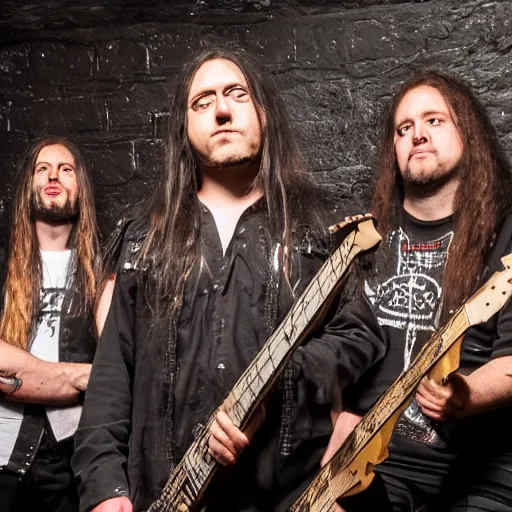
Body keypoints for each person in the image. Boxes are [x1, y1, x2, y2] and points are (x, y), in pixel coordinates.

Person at [72, 48, 389, 512]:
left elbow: (360, 335)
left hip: (284, 497)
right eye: (202, 101)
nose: (221, 110)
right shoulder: (145, 238)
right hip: (160, 498)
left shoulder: (318, 229)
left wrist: (287, 375)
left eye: (236, 94)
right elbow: (111, 378)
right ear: (184, 128)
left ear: (262, 113)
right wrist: (104, 488)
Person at [333, 70, 512, 511]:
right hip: (376, 470)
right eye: (404, 128)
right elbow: (328, 347)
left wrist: (465, 395)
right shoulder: (363, 240)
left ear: (466, 132)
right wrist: (335, 418)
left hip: (477, 477)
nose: (417, 134)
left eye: (434, 120)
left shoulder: (506, 231)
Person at [0, 137, 101, 511]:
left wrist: (29, 376)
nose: (53, 176)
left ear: (81, 187)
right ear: (29, 185)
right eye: (42, 169)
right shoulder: (3, 266)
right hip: (4, 460)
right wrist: (81, 378)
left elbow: (120, 371)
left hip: (71, 463)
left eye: (65, 169)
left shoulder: (104, 274)